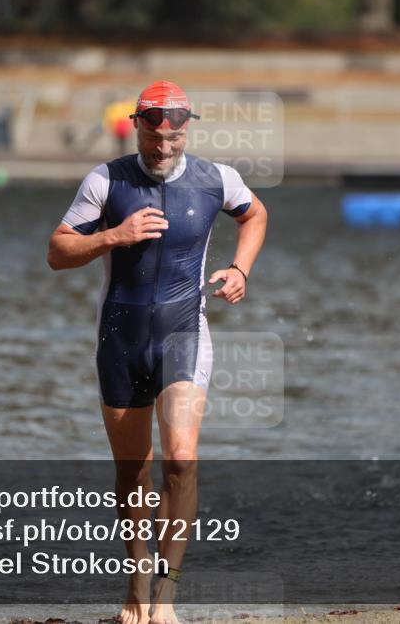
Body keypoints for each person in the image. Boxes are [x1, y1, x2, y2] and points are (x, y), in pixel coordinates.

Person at [47, 80, 268, 624]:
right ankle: (138, 580)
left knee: (183, 458)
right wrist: (112, 236)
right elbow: (57, 251)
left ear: (186, 128)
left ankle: (166, 594)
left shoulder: (218, 179)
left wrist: (241, 269)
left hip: (183, 334)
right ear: (138, 125)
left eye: (174, 138)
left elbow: (255, 215)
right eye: (153, 137)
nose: (163, 149)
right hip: (119, 341)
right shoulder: (107, 180)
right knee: (133, 471)